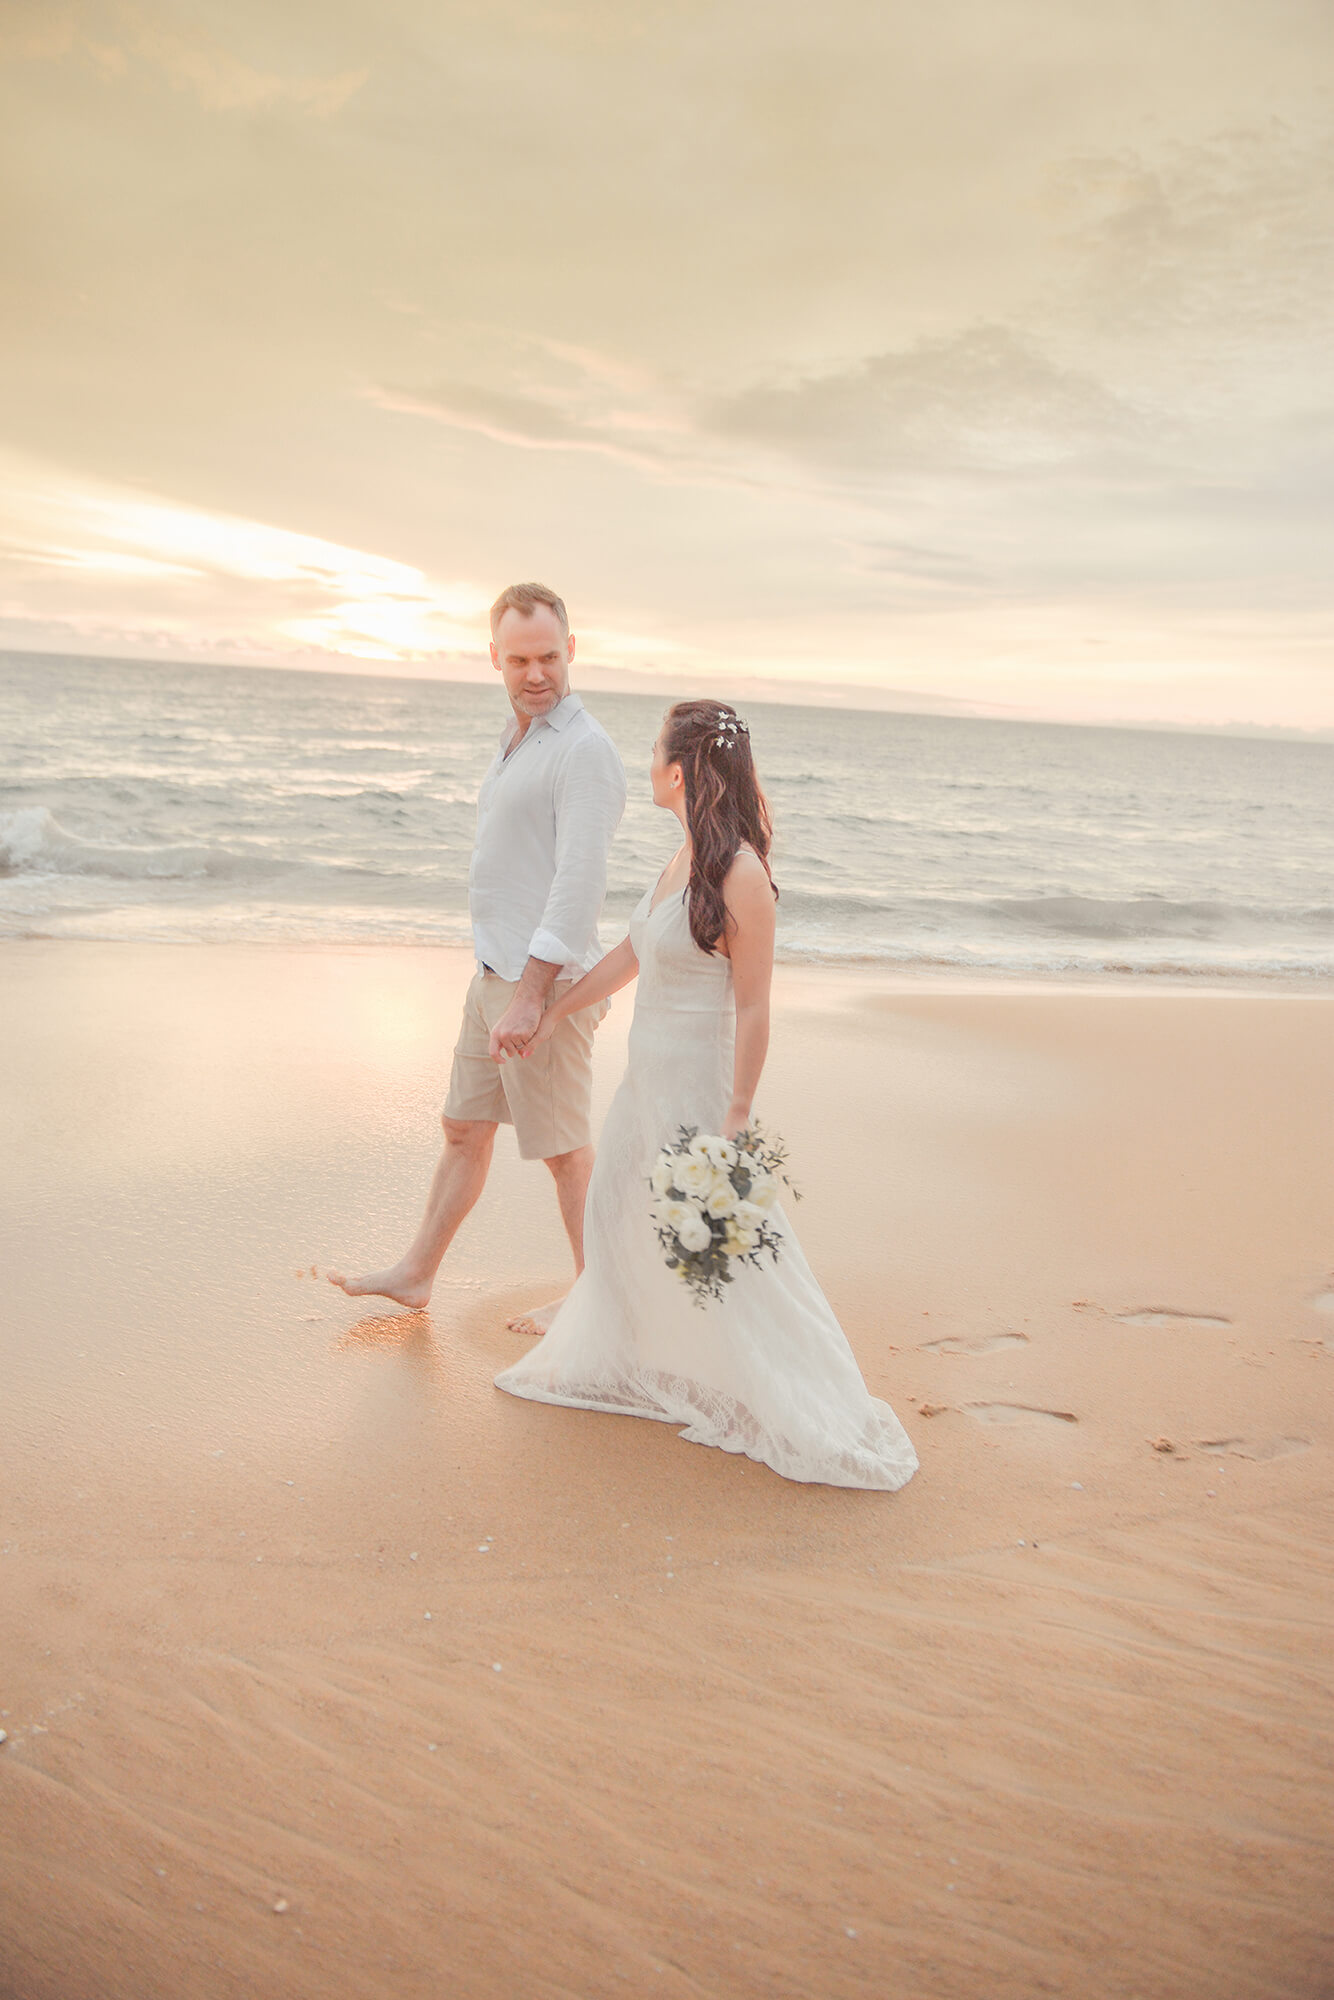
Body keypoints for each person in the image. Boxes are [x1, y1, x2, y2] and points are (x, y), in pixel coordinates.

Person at [493, 699, 917, 1491]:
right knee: (616, 1212)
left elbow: (755, 1006)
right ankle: (619, 1350)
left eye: (655, 750)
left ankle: (798, 1395)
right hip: (645, 1080)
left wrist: (737, 1115)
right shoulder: (681, 855)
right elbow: (631, 952)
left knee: (730, 1257)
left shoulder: (742, 875)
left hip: (699, 1090)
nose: (647, 762)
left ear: (681, 770)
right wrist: (553, 1013)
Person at [330, 583, 627, 1328]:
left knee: (564, 1150)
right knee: (464, 1127)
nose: (536, 674)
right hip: (493, 974)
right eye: (520, 659)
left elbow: (579, 883)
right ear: (494, 657)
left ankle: (599, 1301)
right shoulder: (516, 736)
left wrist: (534, 998)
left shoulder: (585, 751)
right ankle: (416, 1274)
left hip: (545, 988)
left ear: (572, 652)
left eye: (550, 657)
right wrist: (502, 984)